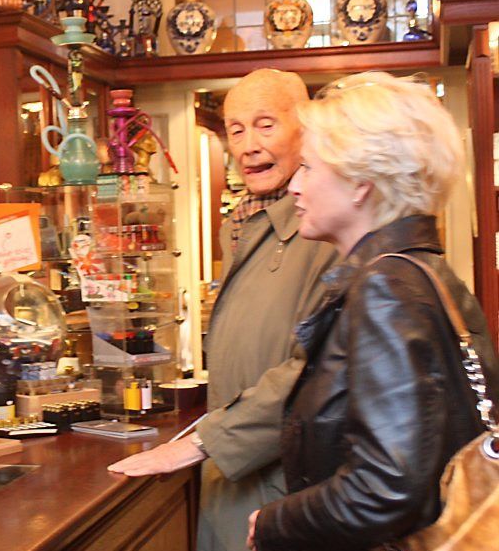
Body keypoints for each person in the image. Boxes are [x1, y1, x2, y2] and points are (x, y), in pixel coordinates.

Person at [246, 72, 499, 551]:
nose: (294, 187)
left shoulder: (386, 287)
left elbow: (385, 488)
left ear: (360, 181)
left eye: (308, 168)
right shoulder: (422, 271)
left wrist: (274, 522)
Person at [108, 69, 338, 551]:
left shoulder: (328, 233)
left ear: (306, 128)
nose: (249, 145)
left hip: (282, 487)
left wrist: (201, 443)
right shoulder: (240, 224)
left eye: (266, 125)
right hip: (233, 478)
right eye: (236, 129)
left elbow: (311, 372)